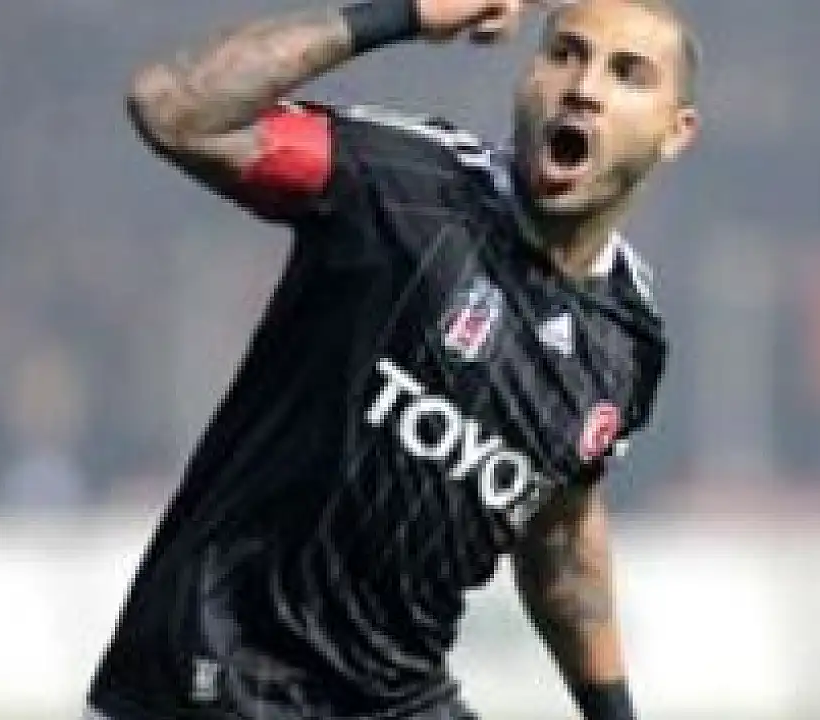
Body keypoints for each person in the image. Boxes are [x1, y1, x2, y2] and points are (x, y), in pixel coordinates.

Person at [86, 0, 699, 718]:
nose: (584, 87)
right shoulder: (403, 185)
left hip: (395, 698)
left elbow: (561, 532)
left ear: (676, 131)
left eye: (628, 74)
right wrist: (401, 14)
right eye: (565, 54)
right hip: (216, 682)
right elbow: (172, 110)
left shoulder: (626, 343)